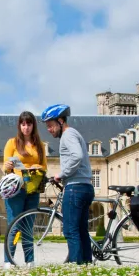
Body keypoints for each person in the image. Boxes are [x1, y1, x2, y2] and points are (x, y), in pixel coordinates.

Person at [41, 104, 94, 264]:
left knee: (71, 230)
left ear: (60, 121)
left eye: (50, 125)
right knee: (82, 230)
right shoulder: (74, 134)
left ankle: (76, 268)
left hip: (75, 188)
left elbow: (76, 156)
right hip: (85, 187)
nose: (49, 130)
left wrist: (61, 174)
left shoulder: (67, 135)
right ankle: (86, 265)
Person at [1, 111, 47, 268]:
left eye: (29, 124)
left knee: (28, 228)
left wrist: (37, 166)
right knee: (14, 227)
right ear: (19, 126)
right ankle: (9, 261)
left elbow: (45, 167)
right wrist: (7, 167)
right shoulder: (12, 143)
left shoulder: (39, 145)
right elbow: (5, 167)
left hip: (33, 189)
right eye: (23, 124)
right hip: (16, 189)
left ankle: (30, 262)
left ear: (33, 125)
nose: (26, 127)